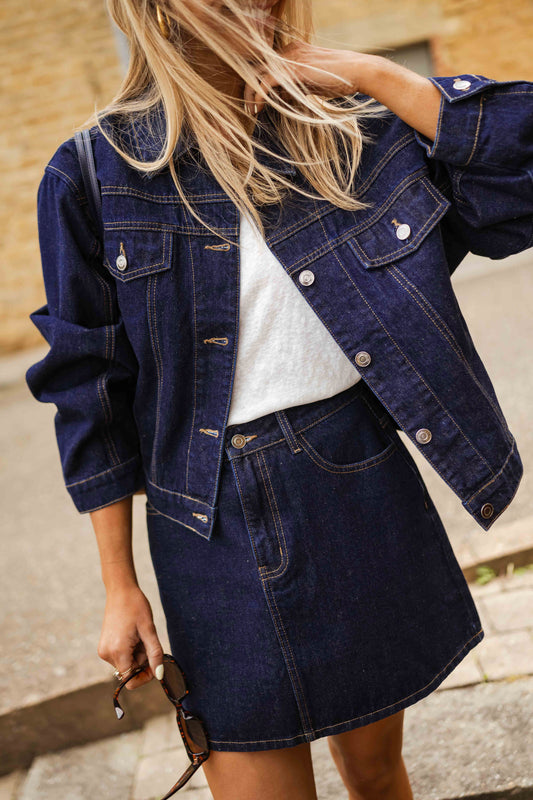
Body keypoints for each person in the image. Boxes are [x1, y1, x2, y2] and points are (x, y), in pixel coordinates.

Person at [25, 0, 533, 797]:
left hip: (357, 479)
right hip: (208, 522)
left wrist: (377, 75)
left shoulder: (345, 127)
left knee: (376, 777)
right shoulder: (93, 173)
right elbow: (88, 392)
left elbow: (516, 177)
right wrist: (119, 588)